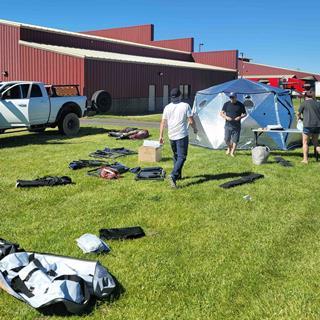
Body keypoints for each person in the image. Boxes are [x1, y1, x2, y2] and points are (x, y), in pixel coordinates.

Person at [159, 88, 197, 188]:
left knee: (176, 156)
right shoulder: (185, 106)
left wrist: (161, 136)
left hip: (171, 135)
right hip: (181, 135)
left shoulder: (167, 107)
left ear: (171, 97)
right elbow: (191, 121)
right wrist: (195, 129)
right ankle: (173, 175)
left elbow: (163, 122)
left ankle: (178, 175)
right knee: (182, 157)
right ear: (180, 96)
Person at [297, 87, 320, 164]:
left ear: (305, 96)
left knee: (305, 142)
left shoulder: (303, 103)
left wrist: (299, 118)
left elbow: (298, 114)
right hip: (317, 125)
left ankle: (305, 160)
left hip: (307, 125)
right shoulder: (318, 103)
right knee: (316, 143)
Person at [220, 92, 247, 156]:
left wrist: (240, 117)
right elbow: (221, 113)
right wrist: (226, 117)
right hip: (228, 125)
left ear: (236, 97)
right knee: (226, 139)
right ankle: (229, 148)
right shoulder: (226, 104)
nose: (231, 99)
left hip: (237, 126)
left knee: (235, 140)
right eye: (230, 97)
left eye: (232, 97)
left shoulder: (240, 105)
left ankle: (232, 152)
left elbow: (245, 114)